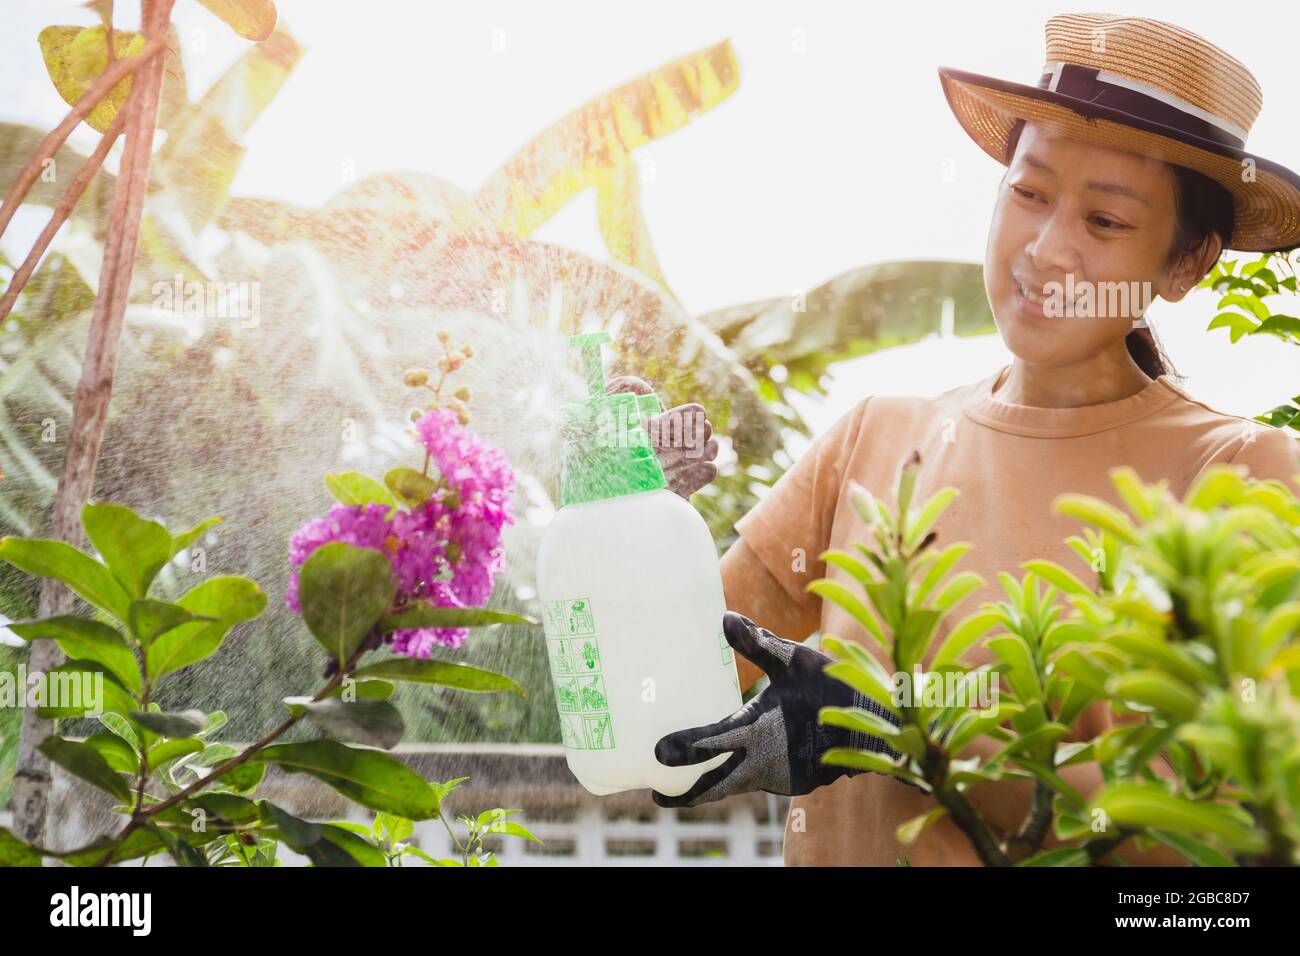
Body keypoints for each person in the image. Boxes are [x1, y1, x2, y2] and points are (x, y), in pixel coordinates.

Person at [608, 12, 1300, 866]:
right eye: (1030, 192)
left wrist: (900, 726)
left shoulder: (1243, 474)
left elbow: (1242, 841)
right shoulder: (870, 439)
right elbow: (677, 724)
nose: (1046, 251)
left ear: (1189, 261)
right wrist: (638, 519)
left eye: (1107, 222)